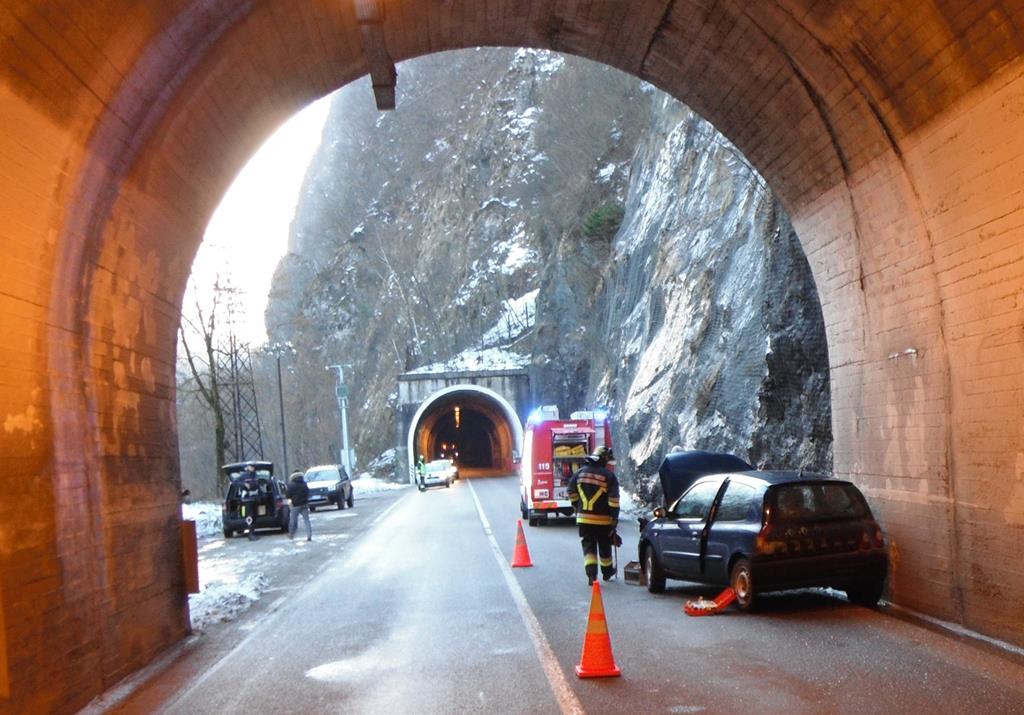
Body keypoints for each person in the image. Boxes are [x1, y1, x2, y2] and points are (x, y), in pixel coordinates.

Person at [567, 446, 620, 585]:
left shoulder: (579, 473)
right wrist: (614, 519)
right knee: (604, 545)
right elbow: (614, 500)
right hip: (603, 520)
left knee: (588, 547)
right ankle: (607, 572)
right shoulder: (609, 476)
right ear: (603, 460)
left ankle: (591, 576)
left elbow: (571, 491)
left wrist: (576, 505)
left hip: (584, 519)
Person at [286, 470, 312, 541]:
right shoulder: (304, 484)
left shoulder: (291, 484)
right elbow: (308, 492)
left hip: (295, 505)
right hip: (304, 504)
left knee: (293, 520)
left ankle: (291, 534)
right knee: (306, 520)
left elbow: (288, 495)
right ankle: (309, 535)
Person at [239, 464, 261, 541]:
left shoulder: (256, 475)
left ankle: (253, 532)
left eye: (253, 467)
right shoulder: (244, 475)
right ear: (248, 467)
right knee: (249, 516)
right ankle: (250, 534)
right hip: (247, 499)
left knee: (255, 516)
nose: (252, 468)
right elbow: (235, 482)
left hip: (255, 498)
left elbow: (258, 486)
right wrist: (244, 484)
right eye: (251, 466)